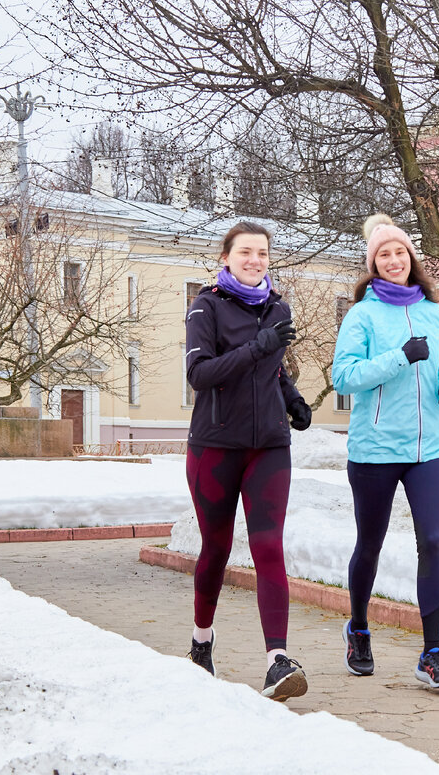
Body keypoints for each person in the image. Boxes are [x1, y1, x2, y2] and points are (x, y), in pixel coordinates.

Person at [182, 220, 314, 701]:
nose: (255, 260)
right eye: (245, 252)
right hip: (215, 447)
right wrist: (257, 347)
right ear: (227, 257)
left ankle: (277, 660)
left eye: (262, 253)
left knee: (268, 547)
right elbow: (200, 374)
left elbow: (271, 369)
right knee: (216, 548)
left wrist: (292, 399)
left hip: (269, 446)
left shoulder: (277, 307)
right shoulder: (206, 306)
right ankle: (201, 642)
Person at [331, 214, 439, 688]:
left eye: (400, 252)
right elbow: (343, 377)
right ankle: (359, 629)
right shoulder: (362, 316)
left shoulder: (435, 313)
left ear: (411, 259)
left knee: (432, 541)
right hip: (376, 449)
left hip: (429, 448)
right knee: (370, 543)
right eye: (384, 254)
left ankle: (432, 653)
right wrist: (399, 357)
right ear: (374, 263)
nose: (393, 260)